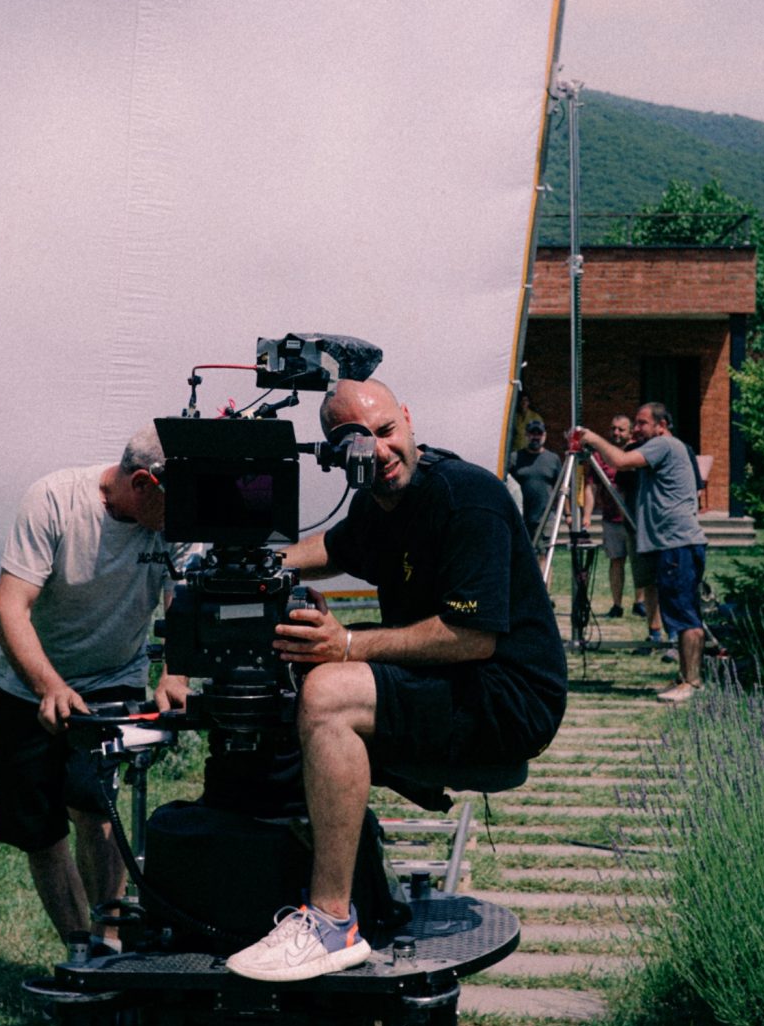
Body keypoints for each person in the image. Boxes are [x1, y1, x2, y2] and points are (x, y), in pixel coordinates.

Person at [224, 378, 567, 983]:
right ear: (336, 455)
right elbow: (333, 548)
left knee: (329, 695)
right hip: (453, 678)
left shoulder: (467, 497)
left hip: (507, 697)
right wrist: (245, 564)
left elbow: (473, 637)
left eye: (386, 432)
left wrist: (347, 645)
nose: (379, 452)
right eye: (358, 443)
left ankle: (331, 923)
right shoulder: (378, 505)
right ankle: (337, 881)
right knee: (295, 677)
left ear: (407, 420)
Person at [0, 426, 196, 952]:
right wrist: (49, 686)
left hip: (113, 676)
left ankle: (109, 944)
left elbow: (184, 606)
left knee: (95, 804)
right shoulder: (54, 500)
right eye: (175, 502)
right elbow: (8, 609)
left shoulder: (178, 521)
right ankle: (78, 950)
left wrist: (175, 673)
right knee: (40, 831)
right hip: (27, 682)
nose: (185, 514)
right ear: (144, 484)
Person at [574, 402, 707, 703]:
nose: (636, 429)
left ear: (661, 425)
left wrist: (591, 438)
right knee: (681, 614)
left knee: (685, 616)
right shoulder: (665, 448)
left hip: (677, 543)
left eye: (642, 423)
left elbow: (620, 461)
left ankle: (692, 682)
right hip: (673, 544)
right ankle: (684, 677)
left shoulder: (663, 445)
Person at [582, 414, 633, 618]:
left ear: (630, 432)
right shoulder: (600, 456)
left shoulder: (636, 452)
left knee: (639, 562)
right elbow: (591, 487)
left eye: (621, 429)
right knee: (616, 561)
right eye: (613, 429)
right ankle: (617, 604)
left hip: (634, 518)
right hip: (612, 518)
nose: (616, 433)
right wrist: (586, 515)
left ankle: (640, 603)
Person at [508, 417, 563, 559]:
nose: (536, 437)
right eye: (532, 433)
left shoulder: (553, 459)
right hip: (520, 517)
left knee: (545, 557)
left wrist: (568, 515)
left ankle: (543, 575)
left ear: (545, 435)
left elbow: (562, 488)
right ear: (526, 435)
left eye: (539, 433)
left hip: (545, 518)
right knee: (522, 558)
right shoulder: (514, 458)